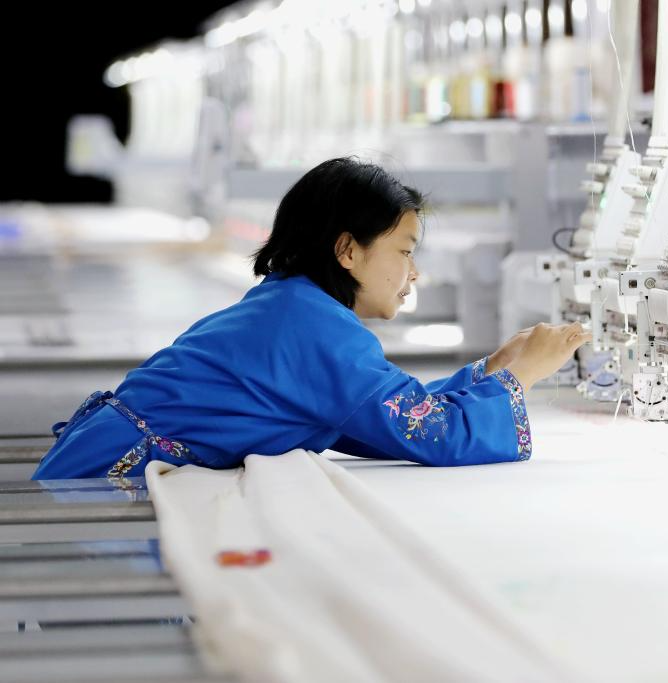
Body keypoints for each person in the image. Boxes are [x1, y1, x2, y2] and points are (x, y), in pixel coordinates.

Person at [33, 157, 589, 480]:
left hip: (100, 464)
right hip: (104, 484)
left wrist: (493, 370)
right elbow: (434, 435)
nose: (413, 272)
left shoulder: (292, 305)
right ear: (347, 250)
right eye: (404, 251)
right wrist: (525, 375)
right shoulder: (315, 331)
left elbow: (382, 418)